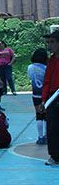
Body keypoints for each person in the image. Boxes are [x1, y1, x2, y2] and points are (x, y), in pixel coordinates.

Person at [41, 30, 59, 166]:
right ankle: (55, 156)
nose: (49, 45)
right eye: (48, 42)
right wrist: (44, 100)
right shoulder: (52, 60)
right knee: (52, 128)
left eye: (52, 42)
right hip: (53, 99)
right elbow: (47, 80)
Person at [28, 48, 48, 145]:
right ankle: (46, 135)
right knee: (46, 115)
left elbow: (30, 77)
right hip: (46, 94)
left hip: (35, 94)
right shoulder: (46, 68)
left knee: (38, 115)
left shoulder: (30, 67)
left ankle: (40, 137)